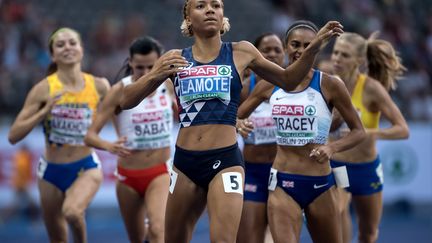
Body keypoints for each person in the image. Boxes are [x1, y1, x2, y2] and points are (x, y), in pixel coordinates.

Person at [120, 1, 343, 241]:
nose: (210, 9)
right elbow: (126, 101)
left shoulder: (241, 52)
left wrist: (314, 47)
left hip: (225, 160)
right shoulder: (175, 58)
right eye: (201, 6)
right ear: (187, 17)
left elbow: (288, 80)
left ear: (222, 14)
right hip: (185, 163)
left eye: (216, 5)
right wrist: (155, 74)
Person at [237, 20, 366, 243]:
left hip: (320, 184)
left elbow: (359, 131)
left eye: (308, 45)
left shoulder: (331, 84)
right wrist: (239, 123)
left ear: (317, 46)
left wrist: (331, 147)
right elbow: (237, 114)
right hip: (282, 182)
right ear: (287, 47)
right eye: (295, 44)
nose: (300, 50)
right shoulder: (268, 85)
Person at [8, 27, 110, 243]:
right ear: (53, 55)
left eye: (73, 43)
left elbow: (120, 111)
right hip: (50, 172)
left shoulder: (99, 86)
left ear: (81, 49)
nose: (67, 48)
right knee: (58, 239)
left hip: (85, 167)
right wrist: (43, 112)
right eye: (60, 45)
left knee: (73, 212)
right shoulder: (43, 89)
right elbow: (13, 135)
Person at [84, 36, 175, 243]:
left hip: (160, 171)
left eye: (151, 67)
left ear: (160, 62)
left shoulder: (168, 86)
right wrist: (108, 145)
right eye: (139, 67)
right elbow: (89, 135)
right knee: (137, 238)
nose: (145, 73)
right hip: (128, 177)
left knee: (157, 228)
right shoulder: (119, 91)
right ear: (131, 63)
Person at [329, 32, 409, 243]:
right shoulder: (326, 82)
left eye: (344, 55)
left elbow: (402, 129)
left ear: (359, 60)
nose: (337, 58)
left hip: (366, 169)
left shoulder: (372, 89)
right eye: (335, 52)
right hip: (338, 165)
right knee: (337, 212)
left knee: (369, 232)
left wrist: (368, 133)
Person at [236, 33, 284, 243]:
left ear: (284, 54)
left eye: (277, 49)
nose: (272, 54)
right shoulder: (244, 88)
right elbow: (225, 120)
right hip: (253, 171)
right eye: (266, 50)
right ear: (256, 54)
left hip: (283, 171)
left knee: (278, 237)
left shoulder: (294, 87)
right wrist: (237, 124)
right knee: (250, 237)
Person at [2, 145, 39, 222]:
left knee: (15, 204)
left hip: (19, 184)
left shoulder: (19, 156)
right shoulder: (22, 158)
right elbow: (21, 172)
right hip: (21, 185)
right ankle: (35, 221)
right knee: (28, 204)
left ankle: (3, 218)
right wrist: (23, 184)